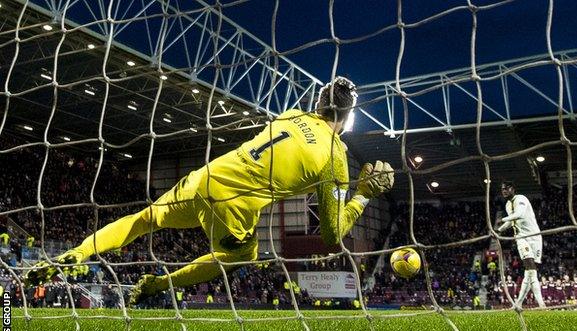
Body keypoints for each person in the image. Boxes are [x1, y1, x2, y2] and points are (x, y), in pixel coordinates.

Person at [24, 76, 394, 305]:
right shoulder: (334, 156)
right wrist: (361, 194)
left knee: (144, 219)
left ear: (317, 103)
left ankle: (77, 253)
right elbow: (331, 234)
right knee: (240, 256)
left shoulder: (289, 115)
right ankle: (159, 284)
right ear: (346, 118)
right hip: (232, 207)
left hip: (206, 177)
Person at [496, 180, 546, 308]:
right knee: (530, 268)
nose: (504, 191)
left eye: (506, 188)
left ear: (513, 189)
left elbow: (520, 214)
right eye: (502, 189)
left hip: (535, 237)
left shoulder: (521, 199)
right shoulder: (508, 205)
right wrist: (499, 230)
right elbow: (512, 221)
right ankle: (541, 305)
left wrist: (502, 219)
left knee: (530, 272)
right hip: (521, 237)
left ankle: (518, 304)